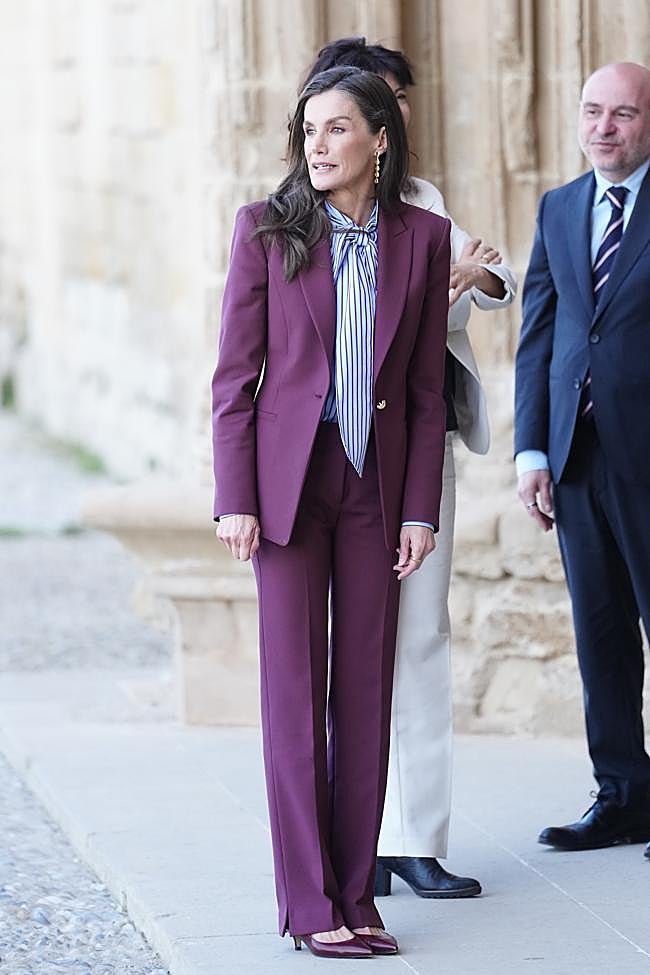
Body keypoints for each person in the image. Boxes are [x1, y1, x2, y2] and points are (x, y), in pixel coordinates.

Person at [212, 66, 451, 957]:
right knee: (293, 696)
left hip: (373, 491)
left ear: (379, 140)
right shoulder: (267, 231)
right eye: (308, 129)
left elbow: (426, 393)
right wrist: (235, 496)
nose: (317, 144)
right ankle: (310, 903)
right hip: (287, 489)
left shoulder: (422, 240)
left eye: (338, 128)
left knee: (364, 692)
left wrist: (417, 509)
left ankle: (359, 893)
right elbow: (235, 381)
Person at [303, 37, 516, 898]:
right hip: (330, 457)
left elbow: (495, 279)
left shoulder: (423, 202)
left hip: (421, 449)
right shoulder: (297, 208)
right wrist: (441, 287)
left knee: (421, 635)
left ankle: (415, 837)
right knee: (332, 650)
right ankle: (339, 841)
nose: (393, 118)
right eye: (374, 99)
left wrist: (458, 281)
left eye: (394, 103)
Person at [515, 62, 650, 858]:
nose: (604, 128)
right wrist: (533, 445)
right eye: (593, 112)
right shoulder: (560, 206)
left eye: (623, 114)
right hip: (577, 459)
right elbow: (542, 331)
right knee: (601, 635)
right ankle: (625, 796)